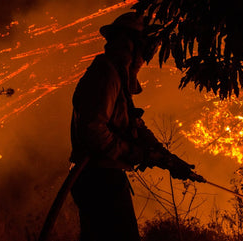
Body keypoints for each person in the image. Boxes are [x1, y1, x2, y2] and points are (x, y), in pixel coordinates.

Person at [70, 12, 197, 241]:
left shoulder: (116, 75)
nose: (148, 55)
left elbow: (133, 126)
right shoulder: (106, 73)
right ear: (134, 44)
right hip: (100, 180)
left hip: (101, 178)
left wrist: (167, 158)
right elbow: (93, 130)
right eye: (147, 47)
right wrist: (135, 153)